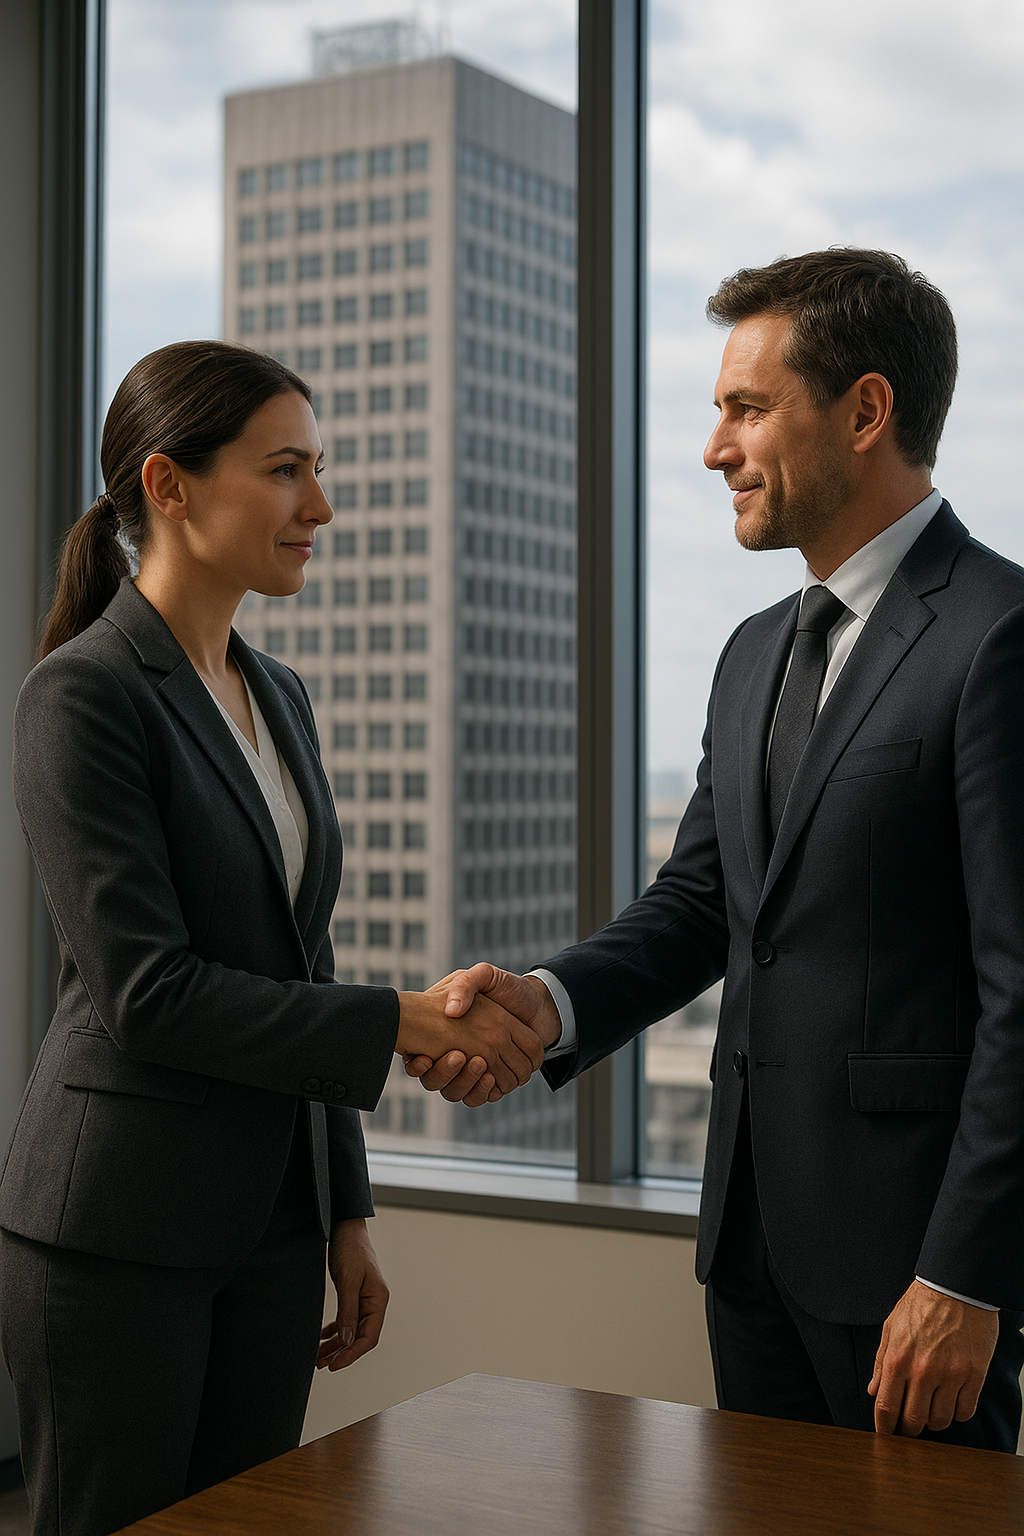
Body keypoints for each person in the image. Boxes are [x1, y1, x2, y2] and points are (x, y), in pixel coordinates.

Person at [411, 249, 1024, 1452]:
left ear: (864, 411)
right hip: (750, 1242)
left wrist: (967, 1274)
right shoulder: (751, 651)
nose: (713, 449)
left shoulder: (999, 638)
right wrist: (545, 1001)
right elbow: (701, 906)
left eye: (745, 408)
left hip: (913, 1271)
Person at [0, 339, 543, 1536]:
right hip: (117, 1235)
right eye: (286, 470)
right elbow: (150, 993)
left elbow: (304, 962)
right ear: (168, 486)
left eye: (319, 469)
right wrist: (404, 1020)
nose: (321, 505)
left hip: (273, 1232)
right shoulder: (82, 696)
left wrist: (343, 1209)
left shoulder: (278, 691)